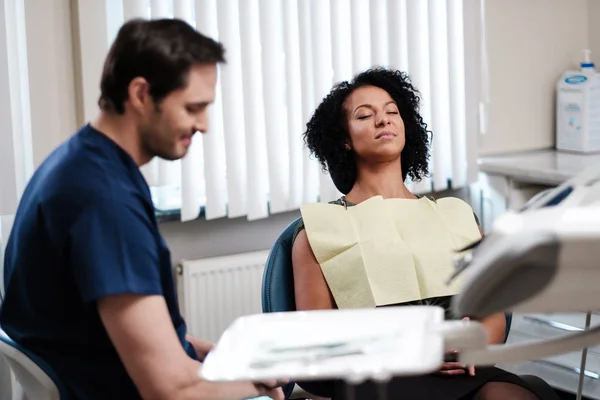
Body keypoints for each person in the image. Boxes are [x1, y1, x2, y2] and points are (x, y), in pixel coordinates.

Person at [0, 18, 283, 400]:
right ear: (141, 94)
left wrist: (209, 354)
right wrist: (259, 384)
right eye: (192, 108)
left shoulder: (79, 163)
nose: (203, 125)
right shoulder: (103, 200)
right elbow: (168, 389)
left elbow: (99, 335)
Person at [291, 67, 558, 400]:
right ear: (343, 138)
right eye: (364, 115)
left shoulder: (455, 214)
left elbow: (491, 313)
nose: (383, 120)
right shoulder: (319, 229)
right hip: (381, 374)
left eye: (392, 111)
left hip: (461, 367)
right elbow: (316, 339)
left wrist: (467, 344)